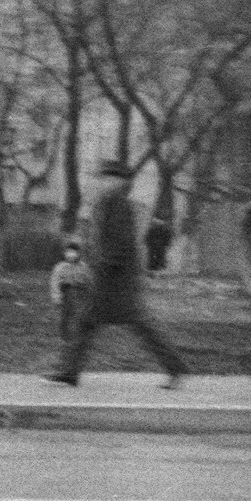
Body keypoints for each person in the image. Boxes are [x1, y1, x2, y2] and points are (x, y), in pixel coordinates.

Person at [45, 160, 187, 389]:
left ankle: (176, 368)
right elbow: (101, 240)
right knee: (88, 323)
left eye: (107, 179)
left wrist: (104, 267)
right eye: (102, 178)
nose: (101, 182)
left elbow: (122, 244)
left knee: (138, 325)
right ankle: (69, 372)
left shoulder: (118, 204)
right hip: (109, 279)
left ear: (120, 182)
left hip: (117, 281)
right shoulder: (106, 203)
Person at [47, 241, 91, 342]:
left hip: (80, 294)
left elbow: (88, 280)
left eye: (74, 253)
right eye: (68, 252)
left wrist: (88, 292)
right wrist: (56, 296)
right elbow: (54, 282)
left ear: (78, 254)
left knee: (79, 315)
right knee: (66, 315)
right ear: (65, 253)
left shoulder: (83, 266)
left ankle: (78, 335)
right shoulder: (60, 267)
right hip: (66, 293)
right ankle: (65, 335)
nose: (71, 255)